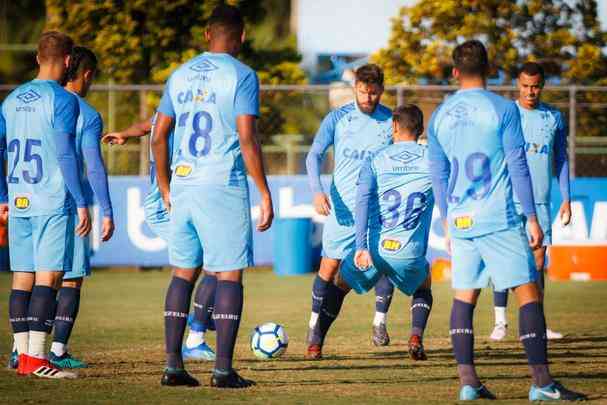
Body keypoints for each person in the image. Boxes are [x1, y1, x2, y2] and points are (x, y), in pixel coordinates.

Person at [428, 39, 585, 401]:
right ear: (489, 69)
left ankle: (468, 383)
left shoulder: (440, 115)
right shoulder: (503, 109)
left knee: (464, 298)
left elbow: (437, 173)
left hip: (461, 219)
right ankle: (543, 384)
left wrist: (448, 221)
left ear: (454, 72)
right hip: (498, 216)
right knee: (529, 292)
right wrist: (531, 217)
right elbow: (517, 165)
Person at [152, 5, 273, 388]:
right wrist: (264, 192)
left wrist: (166, 185)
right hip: (221, 183)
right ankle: (222, 370)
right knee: (229, 276)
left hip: (183, 183)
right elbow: (247, 137)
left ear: (207, 34)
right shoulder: (242, 75)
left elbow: (157, 135)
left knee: (183, 274)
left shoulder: (180, 74)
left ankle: (173, 367)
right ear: (242, 35)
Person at [2, 31, 90, 379]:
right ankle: (38, 360)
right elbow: (66, 153)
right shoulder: (63, 100)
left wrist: (1, 196)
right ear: (69, 61)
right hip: (52, 199)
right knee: (49, 276)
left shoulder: (10, 100)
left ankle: (24, 358)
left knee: (21, 278)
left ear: (38, 58)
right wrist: (81, 200)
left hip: (19, 198)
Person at [103, 116, 218, 362]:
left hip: (169, 201)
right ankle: (196, 335)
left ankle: (199, 318)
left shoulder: (173, 109)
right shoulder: (188, 110)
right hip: (166, 203)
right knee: (213, 265)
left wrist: (125, 132)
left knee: (203, 264)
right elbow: (153, 133)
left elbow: (145, 126)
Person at [332, 104, 435, 361]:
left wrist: (360, 246)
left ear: (394, 127)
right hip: (409, 252)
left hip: (374, 249)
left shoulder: (376, 158)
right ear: (421, 129)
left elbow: (363, 201)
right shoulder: (433, 160)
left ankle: (315, 343)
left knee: (339, 284)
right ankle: (415, 336)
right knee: (424, 285)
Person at [305, 64, 393, 359]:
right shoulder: (338, 118)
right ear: (355, 88)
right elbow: (313, 154)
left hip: (378, 209)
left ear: (381, 89)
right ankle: (314, 325)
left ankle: (379, 323)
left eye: (373, 92)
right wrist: (317, 190)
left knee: (384, 261)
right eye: (363, 92)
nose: (368, 98)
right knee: (328, 269)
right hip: (342, 209)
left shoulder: (391, 121)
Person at [490, 61, 569, 341]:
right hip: (508, 202)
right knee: (503, 262)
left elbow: (560, 159)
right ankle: (500, 322)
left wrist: (566, 199)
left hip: (542, 203)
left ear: (542, 86)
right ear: (518, 85)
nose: (530, 91)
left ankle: (537, 323)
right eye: (525, 86)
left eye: (535, 86)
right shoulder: (507, 115)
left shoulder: (554, 117)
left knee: (538, 263)